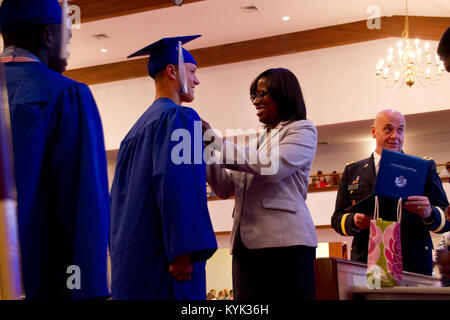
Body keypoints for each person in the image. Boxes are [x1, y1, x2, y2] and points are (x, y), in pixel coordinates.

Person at [0, 0, 110, 299]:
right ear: (47, 37)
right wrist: (88, 289)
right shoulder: (66, 95)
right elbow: (84, 207)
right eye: (67, 37)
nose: (69, 48)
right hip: (43, 284)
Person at [109, 35, 217, 300]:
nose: (196, 80)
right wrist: (183, 251)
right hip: (168, 262)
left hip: (135, 264)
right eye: (192, 71)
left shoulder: (133, 133)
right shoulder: (181, 117)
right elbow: (179, 185)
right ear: (172, 71)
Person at [203, 68, 318, 300]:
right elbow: (226, 188)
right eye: (252, 96)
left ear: (283, 93)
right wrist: (204, 152)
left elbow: (271, 167)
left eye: (261, 94)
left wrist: (216, 143)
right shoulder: (256, 142)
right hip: (246, 247)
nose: (255, 101)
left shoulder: (302, 130)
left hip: (285, 247)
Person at [331, 109, 450, 276]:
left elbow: (447, 216)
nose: (395, 136)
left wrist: (429, 213)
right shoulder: (352, 171)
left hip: (414, 264)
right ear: (373, 132)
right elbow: (337, 219)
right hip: (367, 264)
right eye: (388, 129)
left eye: (400, 130)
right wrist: (354, 220)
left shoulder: (423, 168)